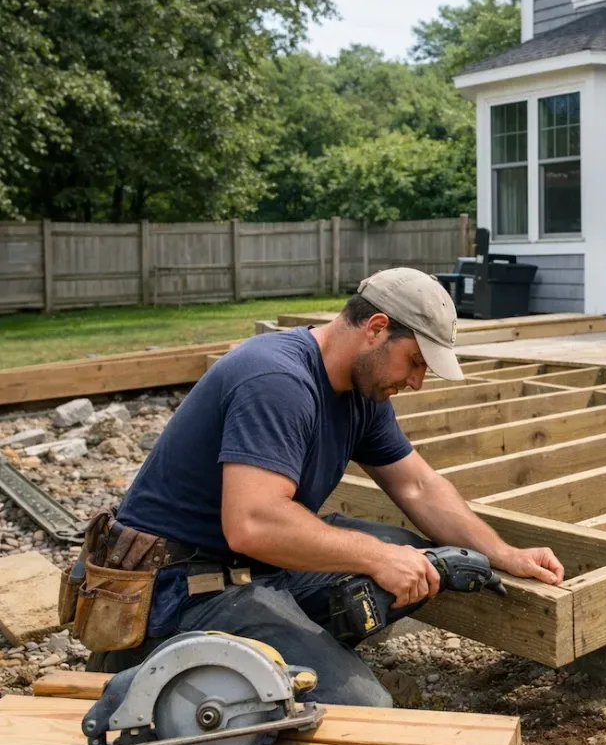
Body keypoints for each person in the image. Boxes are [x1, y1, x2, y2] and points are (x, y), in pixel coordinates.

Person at [74, 268, 565, 707]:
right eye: (415, 361)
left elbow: (417, 486)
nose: (417, 381)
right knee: (365, 708)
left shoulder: (362, 392)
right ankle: (155, 671)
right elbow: (253, 523)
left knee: (429, 564)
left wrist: (505, 554)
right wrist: (374, 557)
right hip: (180, 590)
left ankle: (292, 648)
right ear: (376, 330)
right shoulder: (277, 379)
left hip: (247, 568)